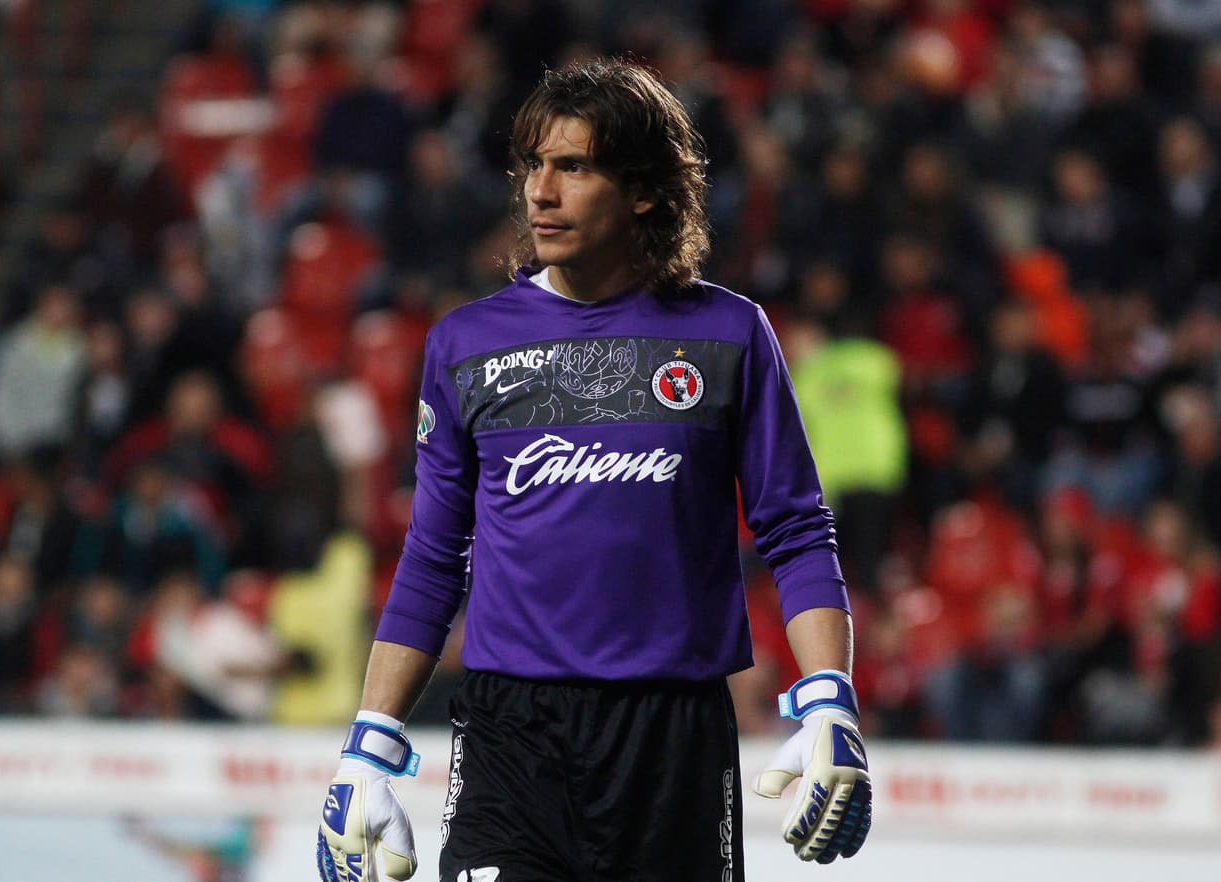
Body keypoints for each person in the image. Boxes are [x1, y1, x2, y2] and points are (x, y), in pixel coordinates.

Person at [316, 56, 872, 882]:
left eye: (573, 167)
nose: (540, 193)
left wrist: (829, 699)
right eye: (533, 166)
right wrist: (368, 748)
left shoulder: (729, 334)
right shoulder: (465, 345)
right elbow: (433, 556)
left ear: (643, 190)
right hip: (512, 739)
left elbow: (795, 532)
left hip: (674, 742)